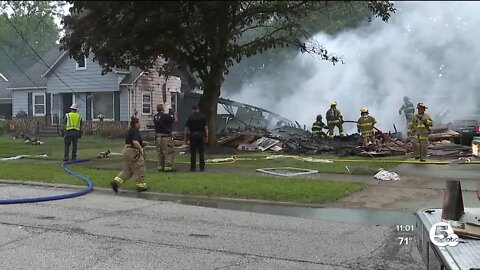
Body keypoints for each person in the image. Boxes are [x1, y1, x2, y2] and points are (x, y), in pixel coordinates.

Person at [110, 117, 148, 193]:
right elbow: (135, 142)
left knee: (127, 170)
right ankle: (141, 186)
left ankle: (116, 182)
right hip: (133, 151)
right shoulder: (135, 131)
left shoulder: (129, 130)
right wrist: (141, 149)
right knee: (139, 167)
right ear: (135, 124)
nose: (140, 124)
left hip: (126, 150)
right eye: (138, 123)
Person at [153, 104, 178, 172]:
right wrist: (175, 114)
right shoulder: (166, 116)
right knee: (168, 151)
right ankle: (168, 167)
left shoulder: (155, 117)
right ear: (162, 109)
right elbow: (175, 121)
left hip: (158, 137)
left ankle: (160, 166)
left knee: (160, 152)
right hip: (166, 137)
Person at [184, 105, 208, 172]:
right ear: (198, 109)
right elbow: (205, 128)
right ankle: (202, 167)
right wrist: (206, 136)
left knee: (193, 152)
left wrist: (185, 138)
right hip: (201, 135)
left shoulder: (190, 117)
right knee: (201, 152)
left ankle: (193, 167)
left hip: (193, 135)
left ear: (193, 109)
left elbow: (186, 128)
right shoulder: (203, 117)